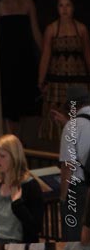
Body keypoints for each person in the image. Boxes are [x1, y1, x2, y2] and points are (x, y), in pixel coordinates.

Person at [39, 0, 90, 140]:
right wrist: (41, 80)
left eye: (67, 5)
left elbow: (87, 54)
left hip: (78, 81)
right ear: (57, 8)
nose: (64, 9)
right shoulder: (51, 29)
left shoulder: (81, 29)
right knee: (56, 120)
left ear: (73, 8)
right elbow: (45, 56)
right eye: (61, 5)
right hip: (57, 83)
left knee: (77, 117)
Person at [0, 0, 42, 135]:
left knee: (24, 99)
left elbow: (35, 30)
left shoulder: (28, 3)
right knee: (9, 100)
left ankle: (19, 138)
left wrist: (45, 53)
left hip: (25, 56)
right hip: (6, 58)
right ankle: (11, 138)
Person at [59, 84, 90, 241]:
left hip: (79, 189)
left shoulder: (72, 127)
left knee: (74, 236)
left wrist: (64, 197)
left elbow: (68, 165)